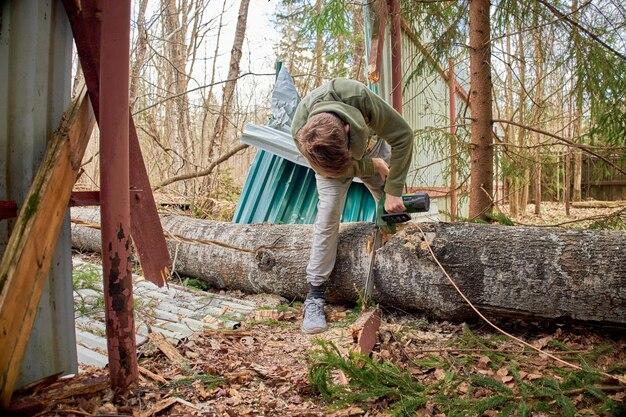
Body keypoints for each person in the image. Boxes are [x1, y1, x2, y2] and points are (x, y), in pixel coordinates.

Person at [291, 78, 414, 334]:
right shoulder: (302, 133)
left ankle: (406, 256)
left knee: (392, 208)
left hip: (371, 145)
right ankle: (314, 295)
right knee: (328, 215)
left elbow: (403, 136)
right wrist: (370, 166)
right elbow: (332, 170)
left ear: (347, 128)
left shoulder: (361, 99)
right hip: (331, 168)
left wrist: (392, 192)